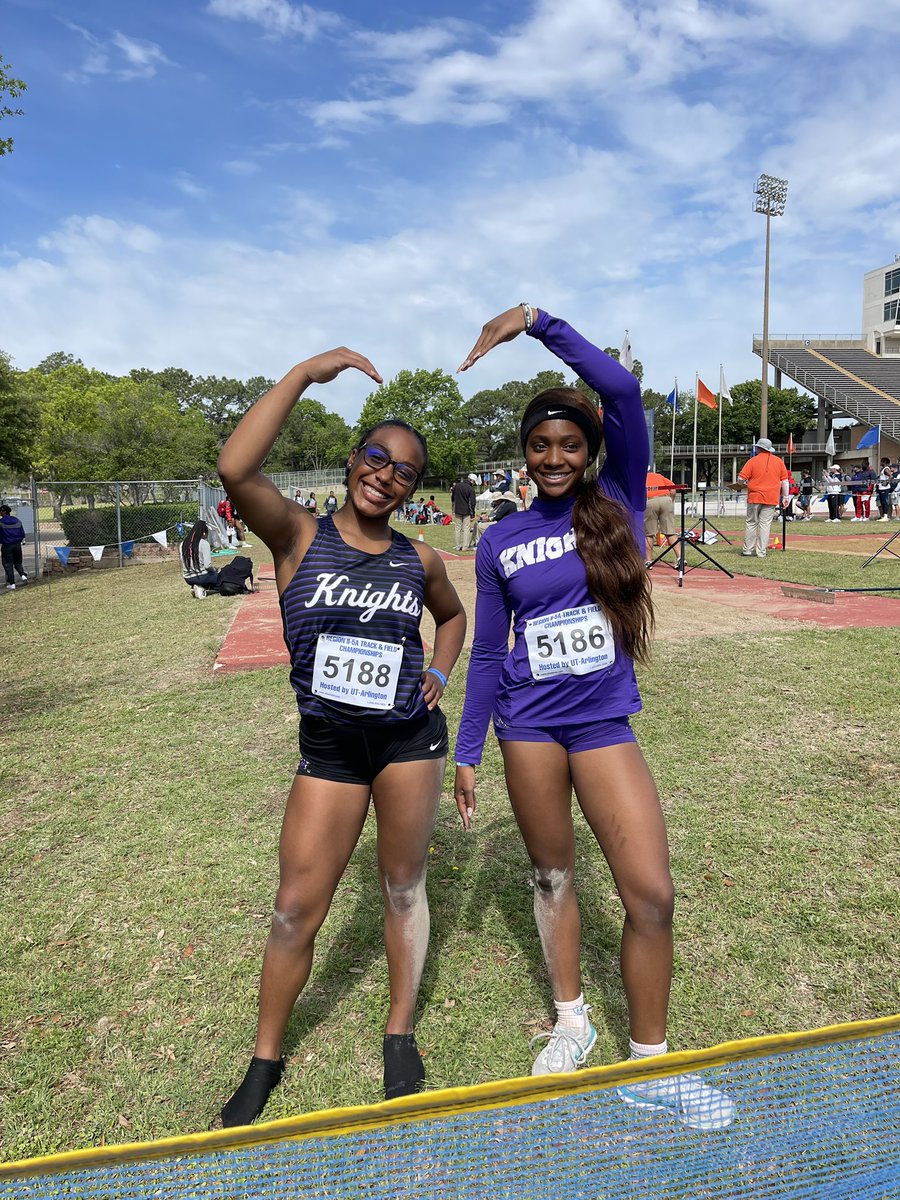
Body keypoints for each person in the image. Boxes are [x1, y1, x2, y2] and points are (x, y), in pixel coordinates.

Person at [453, 303, 733, 1132]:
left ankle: (651, 1066)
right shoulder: (501, 540)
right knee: (552, 877)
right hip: (528, 729)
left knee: (651, 895)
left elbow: (620, 388)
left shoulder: (616, 495)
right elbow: (490, 651)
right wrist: (468, 749)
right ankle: (571, 1019)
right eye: (540, 445)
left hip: (602, 725)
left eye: (569, 444)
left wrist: (538, 322)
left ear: (591, 449)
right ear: (525, 453)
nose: (554, 457)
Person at [216, 346, 466, 1127]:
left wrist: (440, 670)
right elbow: (234, 467)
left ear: (413, 489)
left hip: (407, 743)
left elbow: (453, 617)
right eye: (377, 458)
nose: (386, 476)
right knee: (296, 906)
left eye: (404, 472)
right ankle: (265, 1057)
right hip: (329, 748)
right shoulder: (297, 533)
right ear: (354, 460)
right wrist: (301, 375)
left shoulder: (418, 557)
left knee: (402, 886)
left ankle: (400, 1032)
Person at [736, 438, 790, 557]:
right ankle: (761, 551)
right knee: (765, 524)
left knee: (751, 522)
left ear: (759, 448)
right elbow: (785, 481)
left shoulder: (752, 461)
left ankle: (747, 550)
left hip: (754, 496)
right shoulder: (779, 461)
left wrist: (741, 484)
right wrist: (785, 497)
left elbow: (741, 478)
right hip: (771, 497)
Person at [644, 471, 678, 563]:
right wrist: (671, 501)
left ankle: (648, 561)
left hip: (650, 500)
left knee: (649, 534)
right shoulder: (658, 476)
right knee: (670, 531)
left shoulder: (640, 476)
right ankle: (680, 558)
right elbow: (673, 489)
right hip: (665, 499)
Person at [180, 521, 218, 598]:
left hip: (188, 578)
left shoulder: (182, 544)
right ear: (204, 533)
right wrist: (215, 570)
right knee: (220, 577)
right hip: (202, 577)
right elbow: (207, 566)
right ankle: (202, 588)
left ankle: (197, 586)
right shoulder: (204, 543)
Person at [0, 505, 28, 591]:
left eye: (0, 511)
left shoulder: (1, 522)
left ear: (4, 512)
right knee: (18, 562)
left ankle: (12, 583)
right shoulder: (17, 520)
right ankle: (23, 575)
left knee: (8, 564)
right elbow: (22, 534)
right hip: (17, 545)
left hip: (7, 545)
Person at [450, 473, 476, 552]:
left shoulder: (457, 486)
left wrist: (453, 506)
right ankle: (465, 546)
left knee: (457, 528)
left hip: (457, 509)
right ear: (472, 480)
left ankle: (458, 546)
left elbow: (453, 497)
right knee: (466, 528)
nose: (474, 483)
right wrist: (473, 513)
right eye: (474, 482)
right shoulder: (470, 489)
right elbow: (472, 502)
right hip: (466, 511)